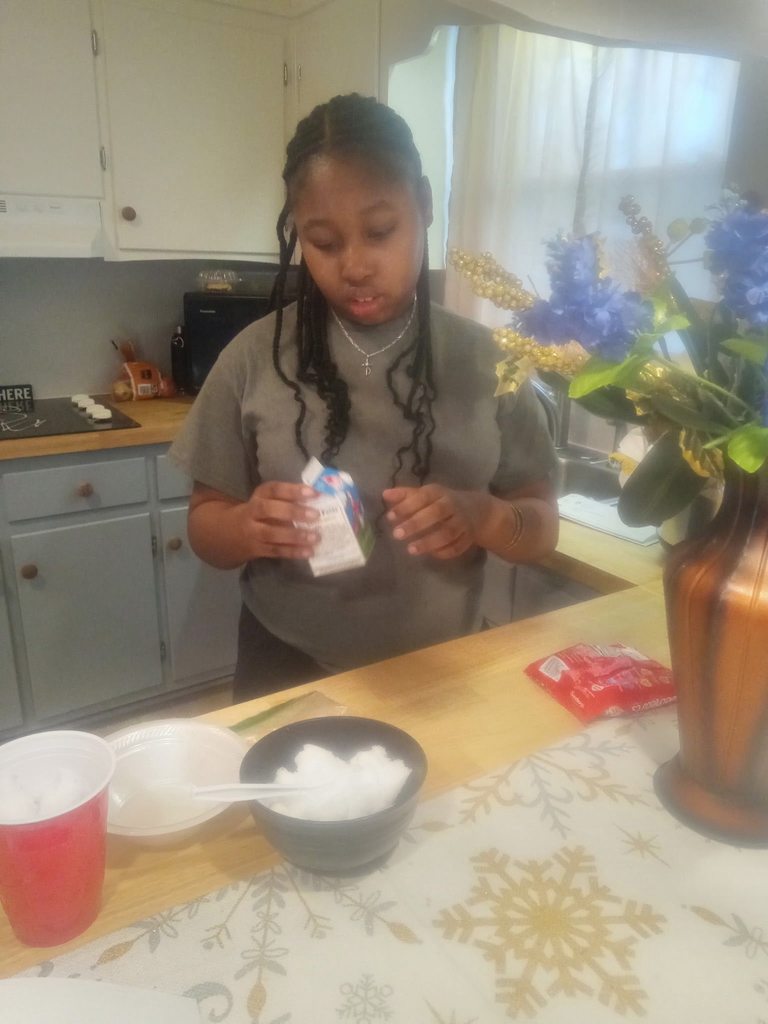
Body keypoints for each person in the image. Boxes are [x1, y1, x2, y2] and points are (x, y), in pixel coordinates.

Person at [170, 93, 559, 702]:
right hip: (287, 666)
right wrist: (248, 526)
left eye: (380, 231)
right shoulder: (253, 357)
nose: (354, 265)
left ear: (425, 205)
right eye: (323, 242)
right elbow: (204, 528)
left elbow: (539, 528)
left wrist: (483, 517)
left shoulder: (493, 363)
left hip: (445, 667)